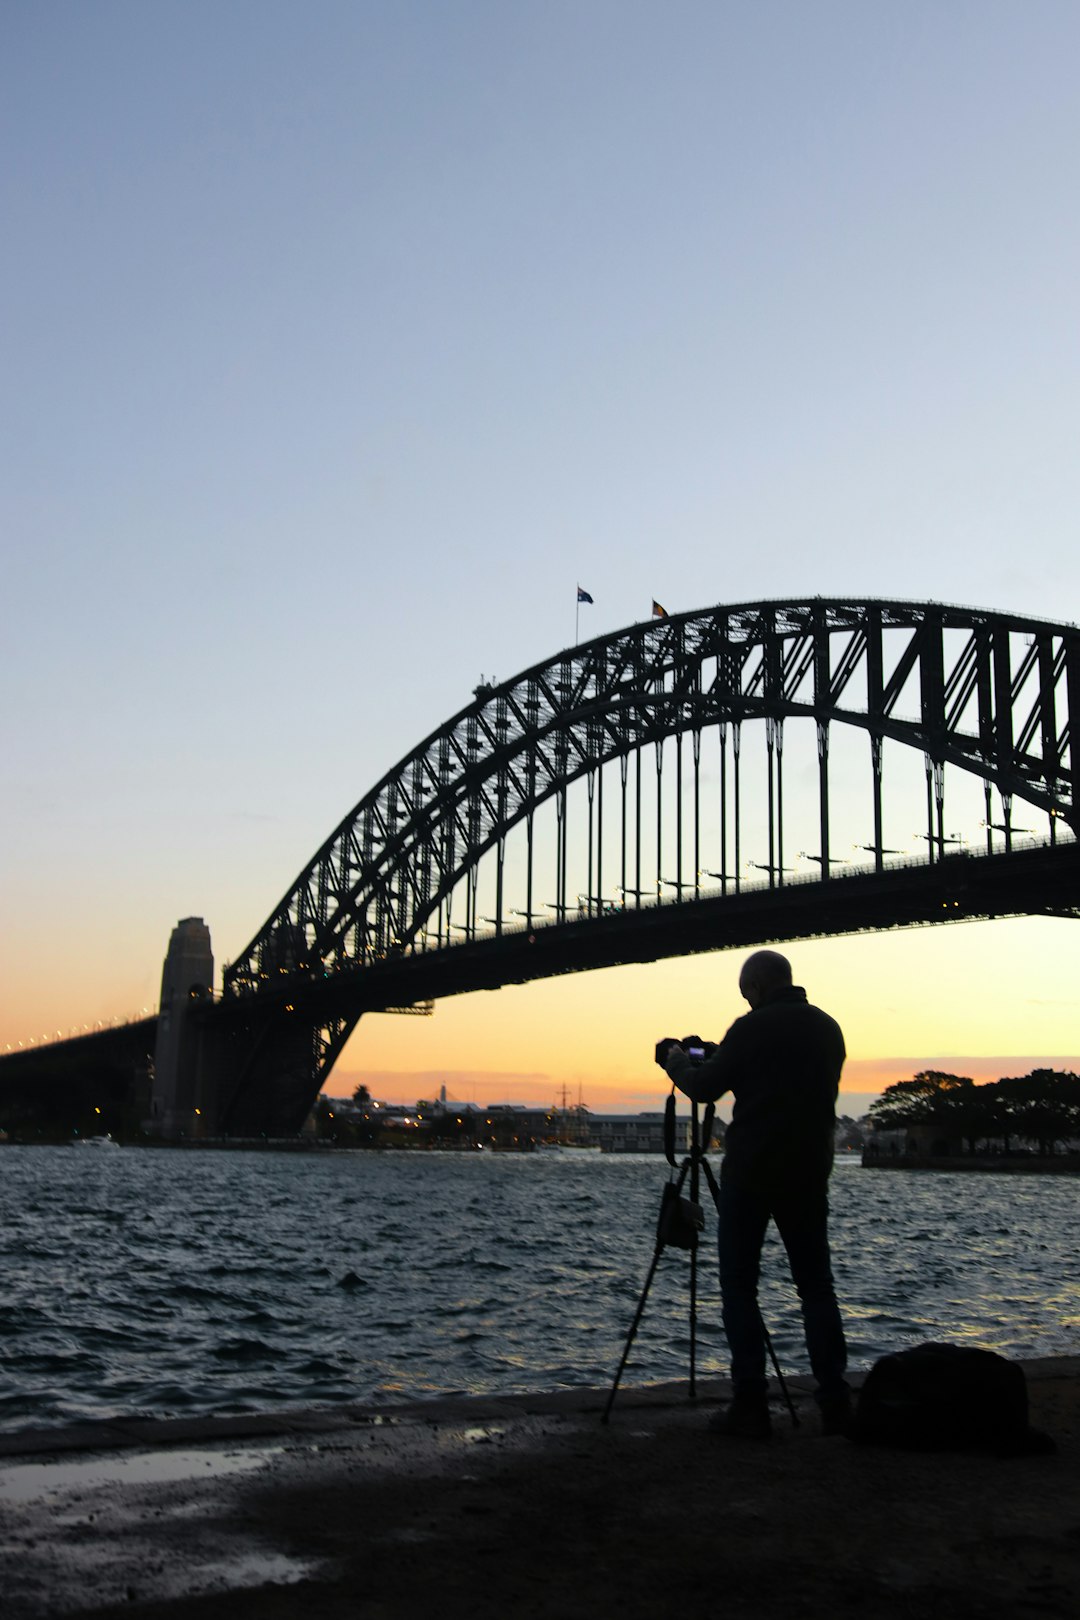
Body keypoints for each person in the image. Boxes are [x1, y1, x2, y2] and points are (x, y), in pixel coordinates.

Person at [656, 949, 851, 1438]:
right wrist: (726, 1051)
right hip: (809, 1173)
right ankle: (836, 1402)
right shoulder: (828, 1028)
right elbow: (777, 1074)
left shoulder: (750, 1028)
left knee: (740, 1287)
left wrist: (676, 1060)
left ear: (757, 987)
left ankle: (750, 1404)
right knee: (816, 1288)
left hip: (752, 1174)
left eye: (746, 993)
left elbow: (704, 1088)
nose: (746, 1001)